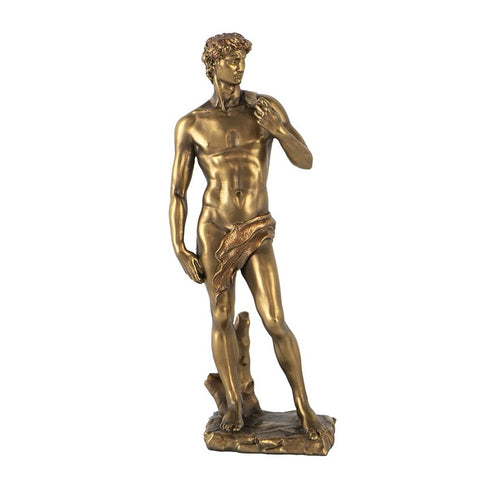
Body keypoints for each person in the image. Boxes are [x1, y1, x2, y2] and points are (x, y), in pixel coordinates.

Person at [169, 33, 332, 445]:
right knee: (221, 316)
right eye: (231, 59)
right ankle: (234, 406)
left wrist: (280, 130)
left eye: (242, 58)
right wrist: (179, 247)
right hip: (214, 228)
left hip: (256, 226)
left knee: (274, 319)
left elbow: (306, 160)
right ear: (213, 66)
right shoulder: (192, 124)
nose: (239, 66)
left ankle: (304, 406)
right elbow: (178, 193)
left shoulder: (264, 108)